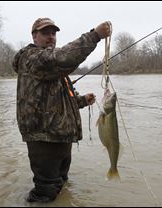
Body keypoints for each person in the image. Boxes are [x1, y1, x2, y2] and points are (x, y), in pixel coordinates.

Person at [12, 17, 112, 203]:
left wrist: (82, 100)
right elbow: (63, 57)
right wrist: (95, 36)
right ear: (34, 36)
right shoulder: (32, 57)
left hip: (59, 136)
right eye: (45, 33)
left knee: (61, 185)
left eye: (53, 33)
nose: (51, 37)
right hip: (44, 138)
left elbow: (59, 100)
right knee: (46, 193)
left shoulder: (52, 68)